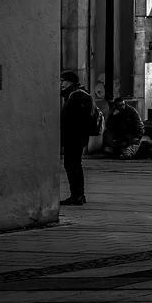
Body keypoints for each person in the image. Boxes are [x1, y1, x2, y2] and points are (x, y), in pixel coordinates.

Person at [60, 69, 96, 204]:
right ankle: (78, 195)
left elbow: (76, 120)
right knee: (73, 165)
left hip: (74, 137)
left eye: (63, 81)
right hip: (76, 137)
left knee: (72, 165)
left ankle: (77, 195)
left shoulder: (77, 96)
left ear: (71, 82)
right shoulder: (76, 95)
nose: (61, 84)